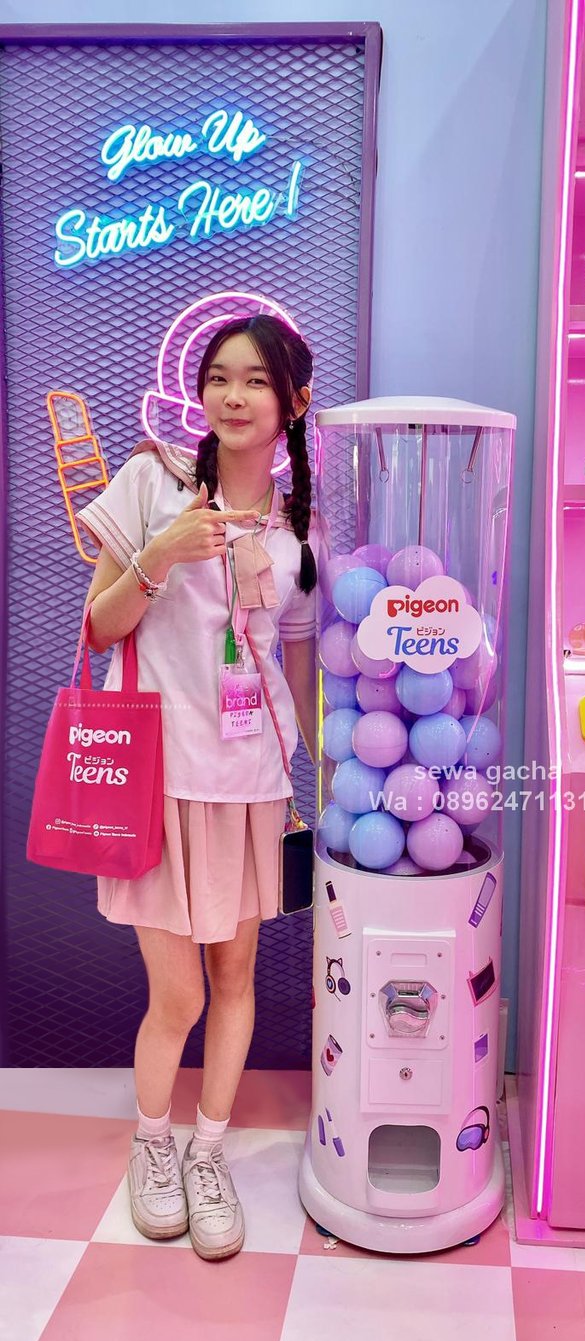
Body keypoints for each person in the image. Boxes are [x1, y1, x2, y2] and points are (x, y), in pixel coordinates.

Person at [77, 313, 318, 1261]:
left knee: (235, 980)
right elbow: (99, 627)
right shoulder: (154, 482)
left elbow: (296, 665)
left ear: (293, 401)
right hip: (158, 779)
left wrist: (323, 770)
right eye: (219, 377)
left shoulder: (299, 532)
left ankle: (209, 1153)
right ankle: (154, 1145)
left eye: (255, 380)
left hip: (252, 784)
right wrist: (163, 553)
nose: (232, 395)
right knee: (176, 996)